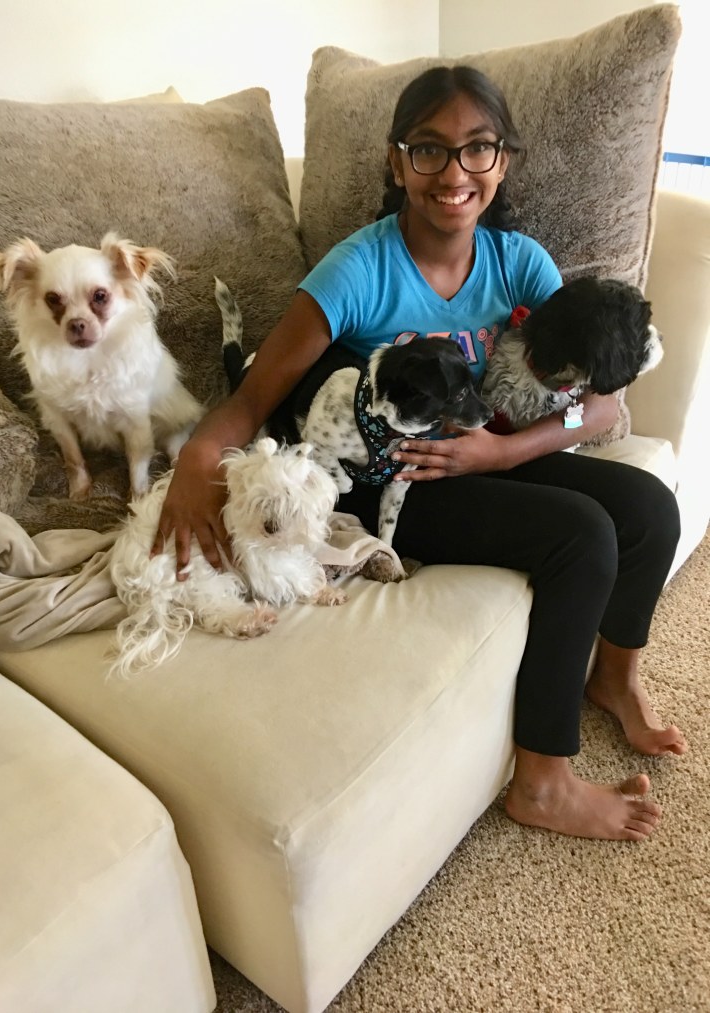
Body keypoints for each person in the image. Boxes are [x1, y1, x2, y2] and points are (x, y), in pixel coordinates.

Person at [154, 64, 686, 841]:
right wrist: (196, 467)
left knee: (649, 507)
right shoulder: (356, 270)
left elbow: (598, 402)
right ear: (397, 162)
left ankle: (615, 676)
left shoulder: (521, 265)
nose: (454, 173)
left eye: (477, 150)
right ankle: (542, 780)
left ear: (502, 162)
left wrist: (502, 456)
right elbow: (251, 399)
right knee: (585, 534)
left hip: (490, 455)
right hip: (393, 480)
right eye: (429, 150)